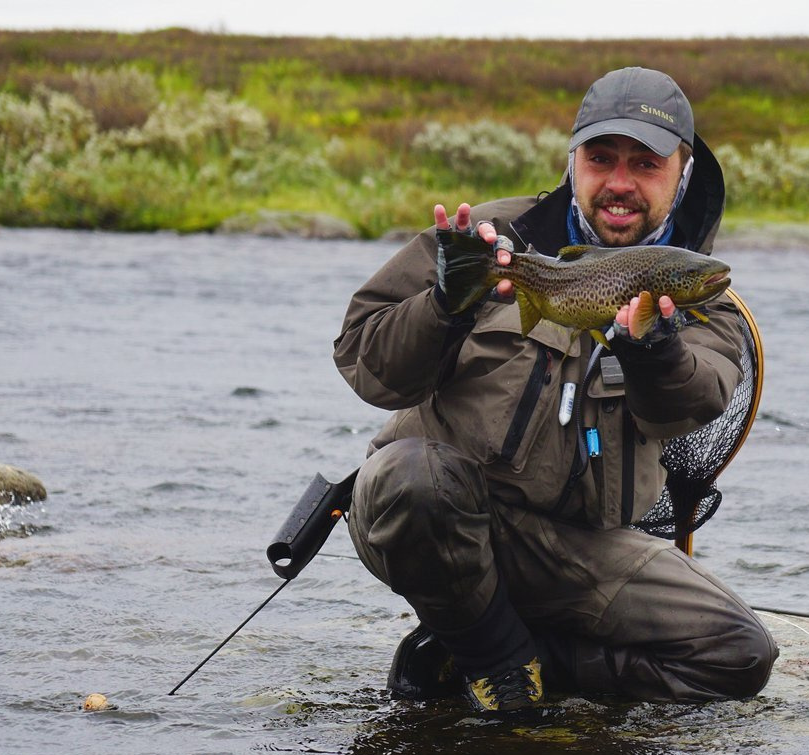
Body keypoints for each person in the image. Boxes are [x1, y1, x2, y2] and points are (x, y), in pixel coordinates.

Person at [332, 67, 778, 712]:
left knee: (740, 654)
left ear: (681, 173)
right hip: (446, 520)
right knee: (411, 479)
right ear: (572, 160)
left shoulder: (704, 300)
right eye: (601, 159)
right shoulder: (491, 239)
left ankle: (523, 655)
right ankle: (494, 657)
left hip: (582, 551)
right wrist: (444, 305)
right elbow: (365, 361)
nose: (619, 183)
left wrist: (654, 349)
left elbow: (694, 403)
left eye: (646, 164)